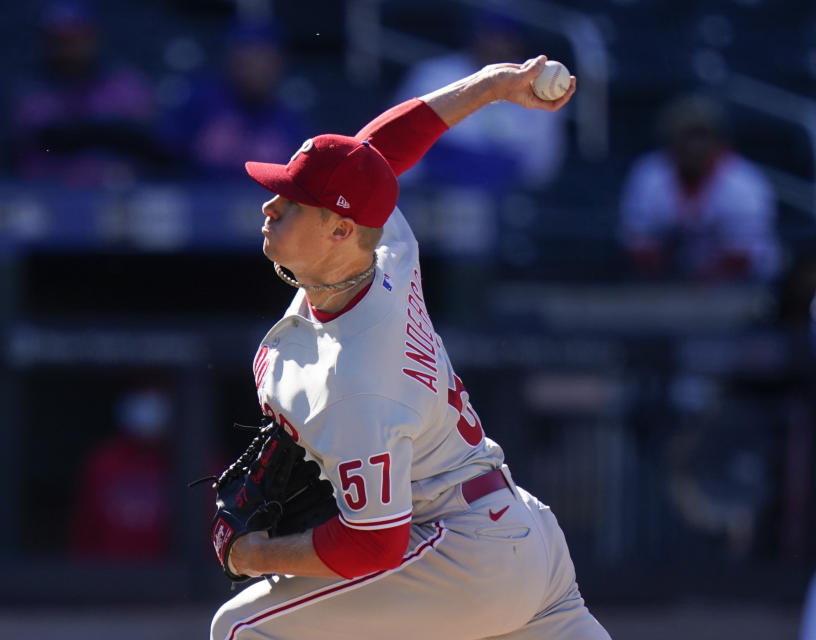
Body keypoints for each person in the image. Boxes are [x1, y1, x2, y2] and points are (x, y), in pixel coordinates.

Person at [209, 56, 610, 640]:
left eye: (290, 200)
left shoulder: (352, 379)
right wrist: (492, 85)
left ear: (340, 231)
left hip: (462, 557)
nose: (271, 204)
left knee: (242, 630)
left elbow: (373, 544)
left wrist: (257, 556)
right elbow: (372, 156)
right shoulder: (383, 249)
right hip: (521, 533)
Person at [392, 13, 566, 193]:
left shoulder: (539, 88)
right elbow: (399, 141)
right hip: (433, 192)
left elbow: (541, 167)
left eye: (505, 36)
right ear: (475, 35)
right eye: (490, 34)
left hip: (502, 201)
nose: (496, 43)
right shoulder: (434, 74)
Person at [619, 94, 780, 281]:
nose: (693, 147)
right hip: (666, 285)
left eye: (701, 136)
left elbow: (742, 255)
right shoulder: (649, 174)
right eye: (686, 136)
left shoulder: (743, 182)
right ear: (671, 139)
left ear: (718, 140)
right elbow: (637, 243)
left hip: (744, 285)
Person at [11, 1, 161, 187]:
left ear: (94, 36)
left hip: (119, 197)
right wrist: (108, 131)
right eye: (61, 40)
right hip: (49, 197)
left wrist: (91, 132)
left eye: (77, 38)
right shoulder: (34, 89)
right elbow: (52, 140)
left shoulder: (125, 84)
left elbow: (144, 139)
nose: (69, 49)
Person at [158, 20, 310, 179]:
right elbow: (163, 160)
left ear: (279, 63)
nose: (255, 68)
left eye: (263, 59)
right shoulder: (200, 102)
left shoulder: (291, 121)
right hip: (200, 198)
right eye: (247, 59)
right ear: (232, 59)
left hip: (261, 201)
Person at [70, 387, 172, 561]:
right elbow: (84, 535)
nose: (148, 401)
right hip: (109, 577)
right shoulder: (103, 463)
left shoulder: (200, 463)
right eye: (142, 386)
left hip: (173, 580)